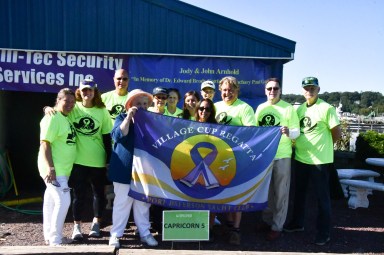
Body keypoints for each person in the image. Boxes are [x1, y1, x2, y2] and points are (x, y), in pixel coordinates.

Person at [45, 79, 113, 240]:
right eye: (84, 90)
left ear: (95, 92)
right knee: (78, 195)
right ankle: (77, 226)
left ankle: (96, 223)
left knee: (98, 194)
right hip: (77, 161)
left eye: (90, 90)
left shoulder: (102, 111)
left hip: (98, 160)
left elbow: (106, 138)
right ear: (79, 92)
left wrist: (109, 161)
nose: (87, 93)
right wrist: (47, 108)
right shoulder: (73, 108)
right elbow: (58, 111)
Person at [283, 77, 341, 246]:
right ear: (303, 90)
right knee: (299, 194)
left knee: (322, 198)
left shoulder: (327, 108)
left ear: (318, 89)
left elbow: (336, 133)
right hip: (301, 158)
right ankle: (297, 223)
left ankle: (324, 232)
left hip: (320, 161)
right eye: (306, 88)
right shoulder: (299, 109)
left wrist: (325, 148)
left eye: (312, 88)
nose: (309, 91)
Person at [108, 89, 158, 248]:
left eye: (145, 104)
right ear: (129, 105)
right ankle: (115, 235)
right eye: (138, 104)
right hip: (124, 170)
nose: (142, 107)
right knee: (122, 203)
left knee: (143, 204)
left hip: (144, 171)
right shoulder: (121, 117)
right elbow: (117, 135)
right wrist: (129, 117)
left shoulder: (151, 121)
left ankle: (145, 233)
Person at [254, 78, 300, 241]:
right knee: (266, 191)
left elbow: (297, 132)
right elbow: (256, 132)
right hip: (265, 156)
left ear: (280, 90)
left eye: (275, 88)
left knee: (281, 192)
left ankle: (277, 225)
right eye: (269, 89)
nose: (272, 91)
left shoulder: (288, 109)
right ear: (265, 91)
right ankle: (267, 220)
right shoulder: (260, 108)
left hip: (282, 156)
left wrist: (289, 132)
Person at [214, 76, 256, 245]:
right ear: (220, 91)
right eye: (224, 90)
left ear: (237, 90)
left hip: (237, 158)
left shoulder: (244, 108)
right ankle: (228, 224)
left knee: (237, 194)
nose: (227, 93)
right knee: (222, 192)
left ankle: (236, 230)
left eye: (231, 90)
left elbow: (251, 132)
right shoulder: (215, 107)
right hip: (218, 157)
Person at [38, 88, 77, 246]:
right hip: (55, 170)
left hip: (62, 170)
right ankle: (55, 239)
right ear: (58, 100)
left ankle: (50, 236)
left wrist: (47, 108)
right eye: (66, 101)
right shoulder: (53, 118)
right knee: (63, 200)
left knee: (51, 201)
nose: (70, 105)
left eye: (73, 102)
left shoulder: (64, 117)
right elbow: (45, 143)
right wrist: (51, 169)